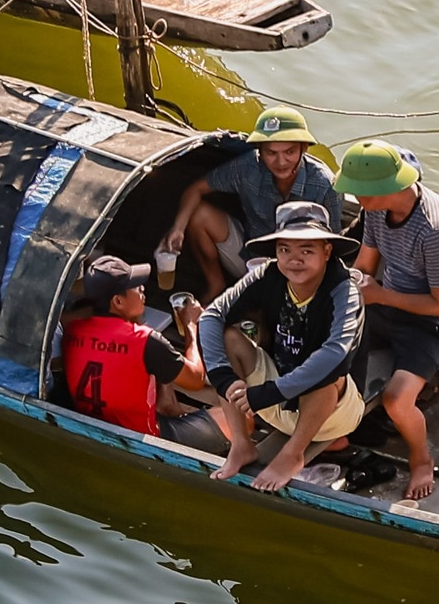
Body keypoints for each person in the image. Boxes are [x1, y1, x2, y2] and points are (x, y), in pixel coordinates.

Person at [339, 140, 439, 502]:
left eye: (362, 191)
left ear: (390, 188)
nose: (356, 197)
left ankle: (421, 459)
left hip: (433, 325)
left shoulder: (437, 231)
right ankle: (339, 428)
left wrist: (380, 295)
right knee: (327, 342)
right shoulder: (375, 211)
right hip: (387, 304)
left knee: (396, 400)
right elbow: (365, 266)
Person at [197, 201, 367, 492]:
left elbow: (336, 352)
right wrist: (224, 378)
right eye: (285, 249)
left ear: (327, 252)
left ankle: (292, 454)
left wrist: (271, 392)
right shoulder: (268, 274)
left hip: (332, 414)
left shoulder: (344, 290)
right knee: (228, 338)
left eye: (307, 250)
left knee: (325, 373)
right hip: (271, 400)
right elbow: (212, 315)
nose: (294, 260)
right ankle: (241, 443)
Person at [161, 107, 342, 295]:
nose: (281, 162)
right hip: (251, 259)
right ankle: (216, 286)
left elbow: (333, 245)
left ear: (303, 148)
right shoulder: (247, 167)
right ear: (260, 152)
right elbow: (196, 189)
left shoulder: (325, 185)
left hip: (299, 270)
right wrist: (178, 229)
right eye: (271, 153)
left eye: (289, 152)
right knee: (199, 215)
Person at [61, 257, 208, 438]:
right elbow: (196, 379)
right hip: (140, 437)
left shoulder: (73, 330)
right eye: (135, 286)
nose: (142, 288)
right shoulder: (144, 340)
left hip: (92, 427)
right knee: (242, 420)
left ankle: (167, 405)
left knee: (154, 359)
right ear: (118, 302)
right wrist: (191, 325)